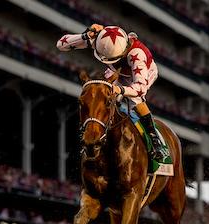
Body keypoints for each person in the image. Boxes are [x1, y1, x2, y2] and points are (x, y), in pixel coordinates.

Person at [56, 24, 165, 162]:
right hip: (118, 70)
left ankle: (154, 139)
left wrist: (121, 90)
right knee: (101, 94)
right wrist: (84, 36)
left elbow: (140, 88)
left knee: (135, 100)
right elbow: (61, 44)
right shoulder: (100, 40)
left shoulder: (137, 55)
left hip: (144, 74)